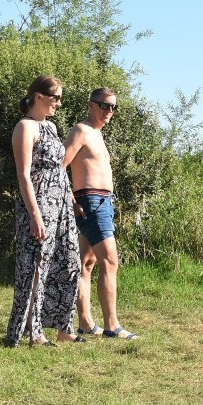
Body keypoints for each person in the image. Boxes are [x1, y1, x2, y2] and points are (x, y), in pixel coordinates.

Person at [6, 75, 83, 346]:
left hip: (60, 205)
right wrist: (35, 215)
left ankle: (63, 325)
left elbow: (58, 170)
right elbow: (24, 176)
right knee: (35, 267)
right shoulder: (25, 128)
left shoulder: (49, 126)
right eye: (55, 98)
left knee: (70, 261)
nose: (59, 104)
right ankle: (32, 330)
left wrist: (70, 199)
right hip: (38, 205)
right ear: (38, 97)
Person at [63, 87, 138, 339]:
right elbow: (58, 167)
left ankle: (85, 323)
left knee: (86, 263)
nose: (109, 111)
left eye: (113, 107)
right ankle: (112, 326)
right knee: (110, 261)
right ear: (91, 104)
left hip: (102, 201)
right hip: (90, 201)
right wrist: (71, 200)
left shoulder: (97, 133)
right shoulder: (81, 131)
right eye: (104, 105)